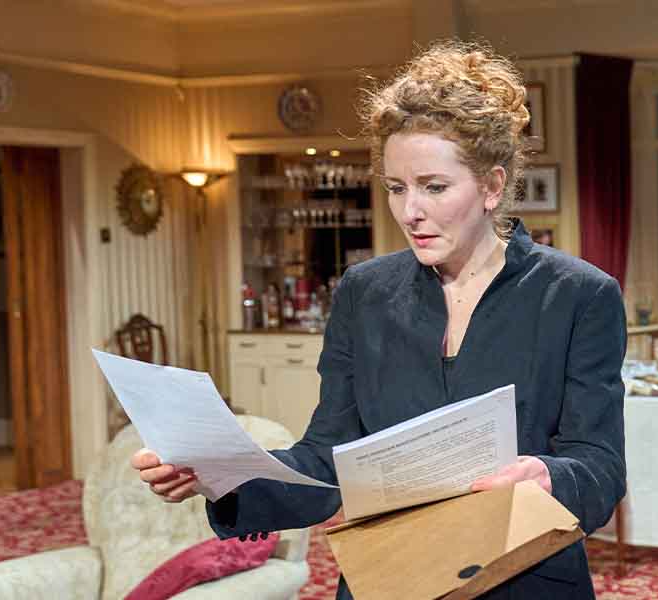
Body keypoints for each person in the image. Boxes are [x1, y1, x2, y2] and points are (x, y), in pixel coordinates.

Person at [131, 41, 627, 600]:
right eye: (396, 188)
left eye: (434, 187)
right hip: (390, 578)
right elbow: (326, 462)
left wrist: (549, 476)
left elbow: (601, 466)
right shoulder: (363, 292)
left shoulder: (579, 295)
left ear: (491, 186)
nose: (410, 211)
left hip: (524, 579)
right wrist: (222, 473)